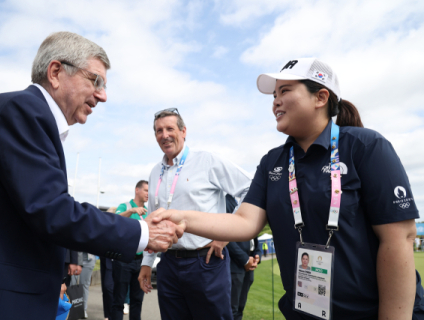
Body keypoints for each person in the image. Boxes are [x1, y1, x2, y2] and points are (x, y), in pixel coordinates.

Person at [151, 58, 420, 320]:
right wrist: (182, 218)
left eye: (285, 91)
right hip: (305, 311)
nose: (275, 101)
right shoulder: (273, 162)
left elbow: (399, 239)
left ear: (321, 97)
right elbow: (244, 222)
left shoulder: (365, 146)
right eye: (274, 95)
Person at [0, 31, 182, 320]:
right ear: (56, 72)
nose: (103, 96)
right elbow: (52, 210)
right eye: (96, 80)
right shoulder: (21, 111)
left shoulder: (32, 118)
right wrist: (143, 231)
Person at [138, 109, 251, 320]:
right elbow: (153, 220)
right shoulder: (155, 172)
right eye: (159, 131)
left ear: (183, 131)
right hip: (169, 264)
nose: (164, 135)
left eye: (170, 128)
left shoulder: (206, 161)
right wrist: (146, 262)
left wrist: (225, 235)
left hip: (205, 262)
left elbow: (250, 188)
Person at [112, 180, 149, 320]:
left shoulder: (148, 211)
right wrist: (131, 211)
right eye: (145, 190)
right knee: (119, 300)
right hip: (123, 259)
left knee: (137, 301)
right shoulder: (125, 206)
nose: (148, 194)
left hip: (141, 261)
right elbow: (114, 220)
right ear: (137, 190)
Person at [226, 195, 262, 320]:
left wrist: (257, 254)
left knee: (241, 307)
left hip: (249, 266)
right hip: (234, 266)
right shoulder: (225, 202)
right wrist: (245, 260)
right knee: (232, 309)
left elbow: (254, 232)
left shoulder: (249, 202)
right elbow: (226, 237)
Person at [101, 207, 116, 320]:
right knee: (106, 289)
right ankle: (107, 315)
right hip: (104, 260)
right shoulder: (103, 229)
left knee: (110, 287)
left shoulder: (118, 229)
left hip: (116, 262)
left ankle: (112, 315)